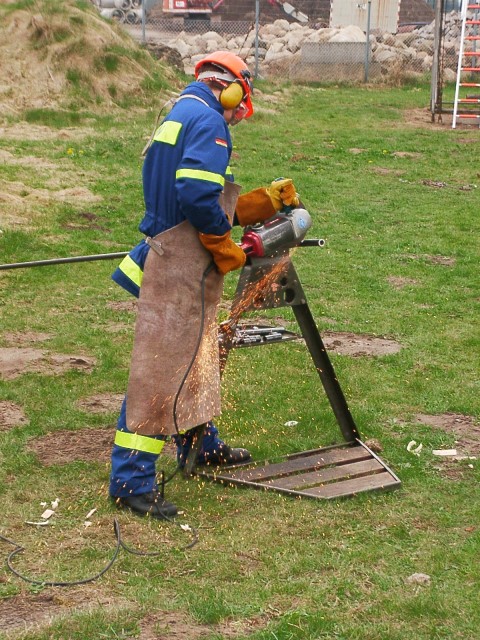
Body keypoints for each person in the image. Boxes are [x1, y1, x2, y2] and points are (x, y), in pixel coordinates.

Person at [109, 51, 299, 519]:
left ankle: (200, 445)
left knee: (198, 355)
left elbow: (196, 192)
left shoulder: (181, 112)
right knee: (161, 368)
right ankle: (130, 480)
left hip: (170, 253)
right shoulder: (210, 121)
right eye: (240, 105)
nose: (238, 115)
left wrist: (259, 204)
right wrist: (220, 242)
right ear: (229, 88)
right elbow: (196, 193)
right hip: (179, 264)